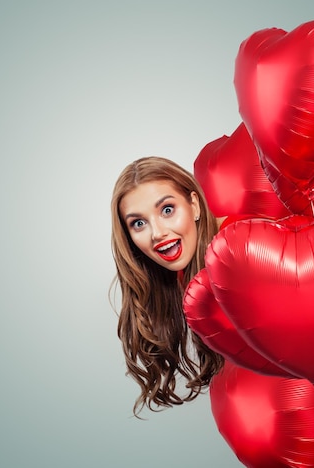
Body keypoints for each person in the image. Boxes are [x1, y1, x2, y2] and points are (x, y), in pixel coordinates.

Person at [110, 156, 224, 415]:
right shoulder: (188, 276)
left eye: (167, 210)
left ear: (194, 205)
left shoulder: (241, 247)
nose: (157, 233)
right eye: (138, 223)